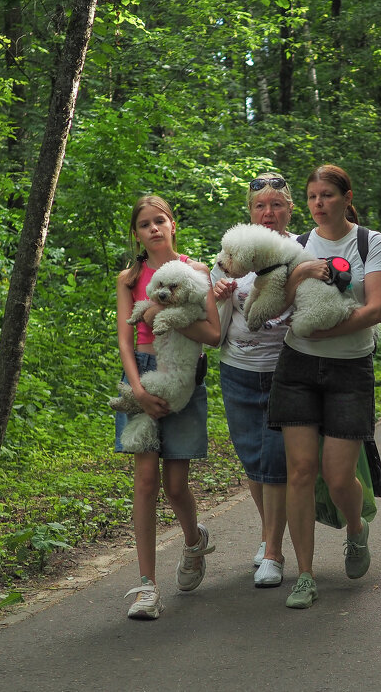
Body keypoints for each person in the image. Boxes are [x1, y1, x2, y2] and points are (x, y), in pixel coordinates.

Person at [267, 165, 381, 609]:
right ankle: (304, 574)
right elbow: (273, 306)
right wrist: (299, 276)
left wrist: (327, 331)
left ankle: (356, 531)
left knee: (339, 476)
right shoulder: (295, 246)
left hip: (349, 371)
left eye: (327, 195)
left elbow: (377, 308)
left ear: (346, 197)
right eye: (312, 196)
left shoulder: (368, 242)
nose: (319, 203)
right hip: (297, 367)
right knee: (300, 472)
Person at [211, 173, 320, 589]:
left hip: (287, 368)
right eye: (260, 206)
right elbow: (211, 310)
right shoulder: (233, 251)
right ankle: (266, 534)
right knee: (253, 461)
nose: (268, 212)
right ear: (249, 211)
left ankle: (273, 551)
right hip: (236, 369)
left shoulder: (302, 251)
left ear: (290, 208)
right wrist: (216, 290)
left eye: (277, 204)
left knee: (276, 461)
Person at [115, 195, 222, 620]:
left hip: (185, 377)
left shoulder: (195, 272)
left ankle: (194, 542)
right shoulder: (129, 277)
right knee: (145, 481)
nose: (154, 228)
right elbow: (125, 337)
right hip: (141, 372)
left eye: (160, 220)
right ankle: (146, 587)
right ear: (137, 233)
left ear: (173, 224)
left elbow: (213, 334)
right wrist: (137, 389)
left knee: (176, 486)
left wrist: (166, 311)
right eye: (144, 224)